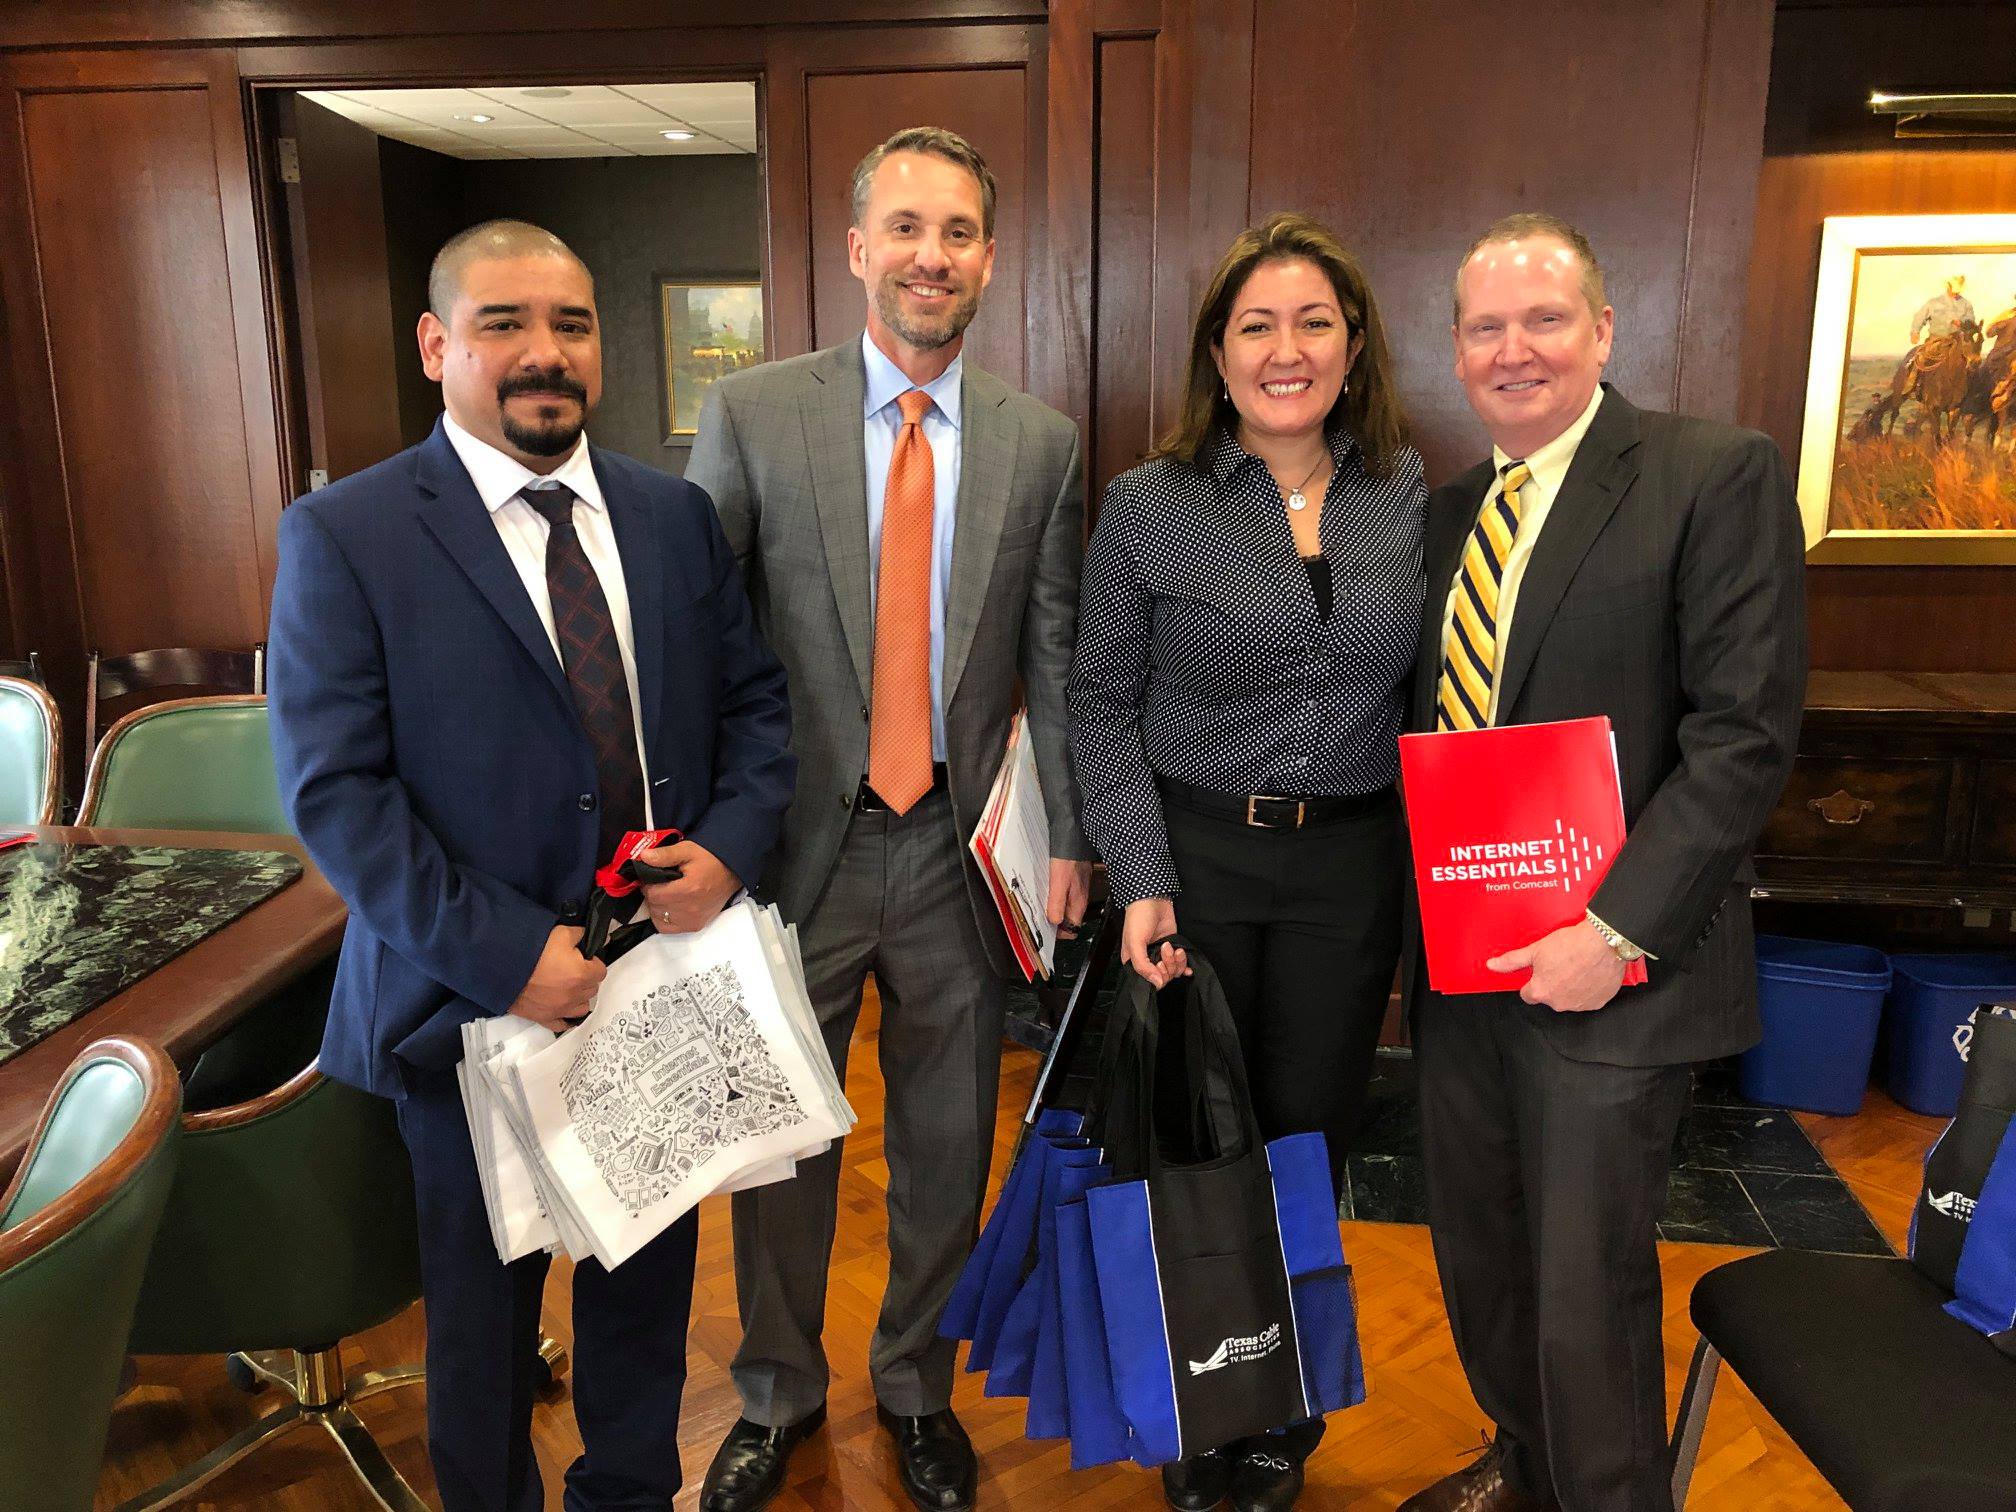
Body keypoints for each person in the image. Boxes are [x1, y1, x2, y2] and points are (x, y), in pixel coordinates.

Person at [267, 219, 795, 1512]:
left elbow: (760, 712)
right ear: (437, 344)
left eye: (569, 323)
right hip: (466, 1014)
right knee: (485, 1340)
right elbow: (336, 794)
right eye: (503, 323)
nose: (542, 353)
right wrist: (510, 956)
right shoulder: (348, 535)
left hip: (658, 995)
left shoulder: (672, 519)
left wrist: (726, 850)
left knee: (642, 1314)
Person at [685, 126, 1093, 1512]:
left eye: (960, 231)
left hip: (955, 857)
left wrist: (1076, 842)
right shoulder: (753, 417)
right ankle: (776, 1395)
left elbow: (1059, 657)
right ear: (856, 249)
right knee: (782, 1142)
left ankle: (915, 1384)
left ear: (988, 255)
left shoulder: (1041, 444)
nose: (933, 255)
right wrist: (695, 839)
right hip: (791, 853)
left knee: (942, 1145)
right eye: (907, 228)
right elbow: (698, 645)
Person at [1398, 213, 1806, 1512]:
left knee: (1587, 1292)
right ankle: (1525, 1470)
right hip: (1465, 976)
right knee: (1484, 1264)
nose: (1514, 349)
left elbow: (1742, 737)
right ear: (1455, 351)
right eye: (1485, 327)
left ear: (1604, 331)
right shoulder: (1449, 513)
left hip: (1611, 978)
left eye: (1544, 319)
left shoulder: (1712, 474)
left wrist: (1616, 931)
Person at [1069, 211, 1426, 1512]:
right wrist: (1139, 876)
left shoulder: (1406, 494)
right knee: (1189, 1140)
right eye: (1257, 325)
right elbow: (1100, 702)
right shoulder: (1150, 508)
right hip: (1198, 859)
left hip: (1349, 870)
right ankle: (1186, 1394)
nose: (1288, 349)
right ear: (1217, 358)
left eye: (1314, 322)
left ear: (1353, 346)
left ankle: (1279, 1403)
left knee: (1305, 1139)